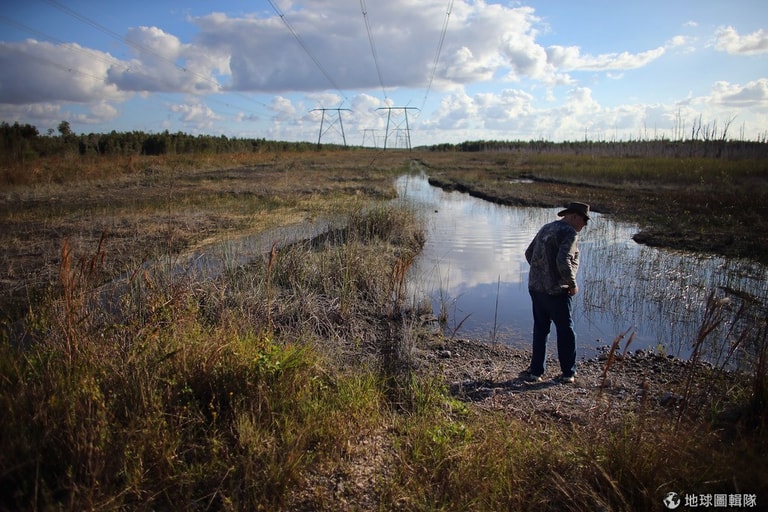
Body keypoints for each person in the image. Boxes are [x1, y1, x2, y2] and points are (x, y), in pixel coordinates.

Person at [521, 202, 590, 384]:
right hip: (556, 291)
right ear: (574, 216)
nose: (585, 225)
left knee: (541, 329)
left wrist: (541, 271)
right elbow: (562, 260)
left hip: (536, 288)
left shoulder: (547, 227)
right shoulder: (569, 232)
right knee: (566, 330)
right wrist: (572, 284)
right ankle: (568, 373)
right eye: (584, 220)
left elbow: (529, 253)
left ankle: (535, 372)